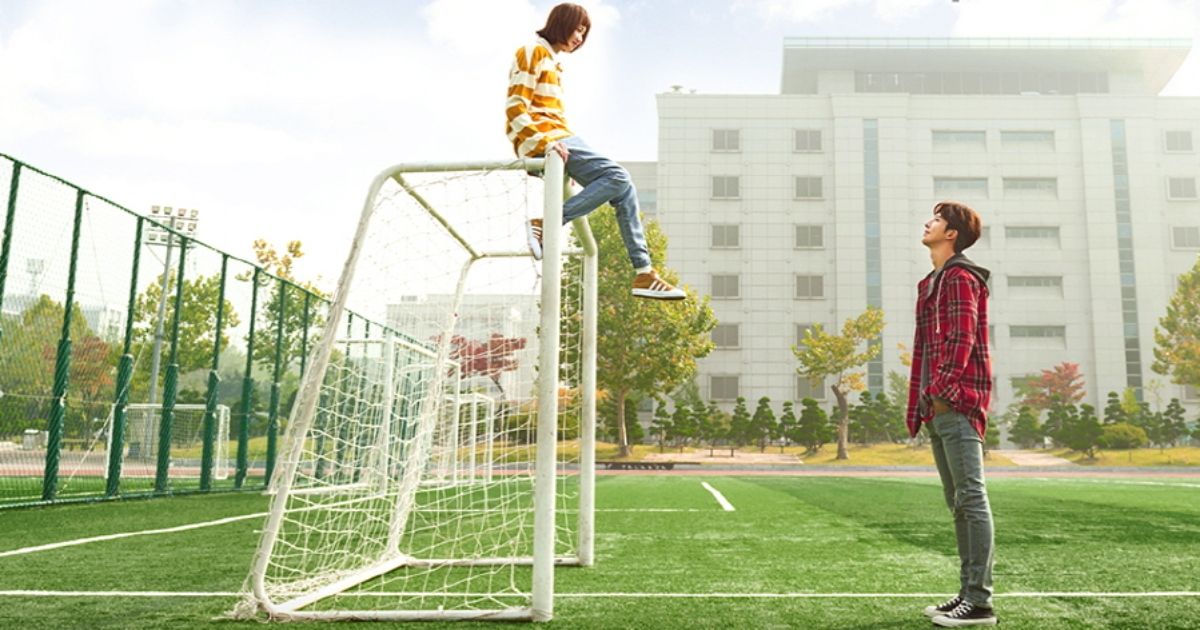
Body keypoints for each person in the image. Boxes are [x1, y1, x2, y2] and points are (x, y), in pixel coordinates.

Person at [505, 2, 685, 300]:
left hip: (559, 138)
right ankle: (547, 223)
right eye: (578, 29)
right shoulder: (532, 51)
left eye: (584, 33)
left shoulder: (554, 62)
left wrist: (570, 165)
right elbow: (516, 107)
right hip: (548, 137)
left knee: (624, 189)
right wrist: (544, 143)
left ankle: (643, 272)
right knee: (619, 175)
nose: (579, 38)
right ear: (562, 23)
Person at [906, 201, 997, 627]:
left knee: (971, 499)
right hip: (937, 407)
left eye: (937, 219)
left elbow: (961, 339)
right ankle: (965, 594)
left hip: (958, 403)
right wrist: (920, 404)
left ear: (952, 234)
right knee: (958, 503)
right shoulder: (931, 283)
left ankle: (979, 601)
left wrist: (941, 392)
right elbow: (924, 350)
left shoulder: (961, 278)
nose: (928, 223)